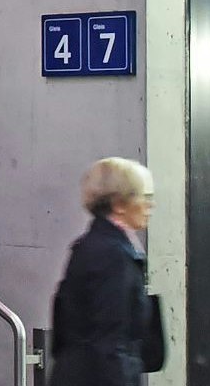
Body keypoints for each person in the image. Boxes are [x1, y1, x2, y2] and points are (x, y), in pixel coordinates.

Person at [49, 158, 158, 386]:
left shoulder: (92, 246)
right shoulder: (113, 256)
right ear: (118, 204)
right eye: (145, 197)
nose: (151, 205)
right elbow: (111, 340)